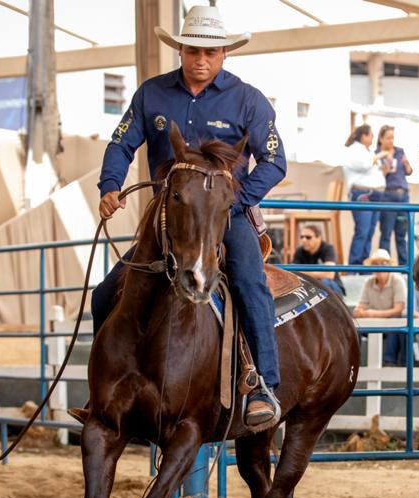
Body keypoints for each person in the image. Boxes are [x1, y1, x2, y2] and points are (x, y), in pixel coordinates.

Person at [91, 4, 286, 427]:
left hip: (225, 216)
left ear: (224, 55)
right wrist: (110, 185)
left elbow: (274, 162)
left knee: (251, 283)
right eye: (194, 50)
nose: (201, 59)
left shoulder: (248, 100)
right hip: (170, 221)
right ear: (180, 49)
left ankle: (263, 386)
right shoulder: (151, 93)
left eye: (210, 52)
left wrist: (233, 201)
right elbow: (121, 144)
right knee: (105, 295)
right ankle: (104, 393)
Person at [353, 248, 407, 366]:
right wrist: (362, 312)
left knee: (395, 323)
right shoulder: (368, 282)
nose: (379, 267)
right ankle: (353, 362)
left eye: (383, 263)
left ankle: (389, 362)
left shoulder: (397, 280)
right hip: (373, 323)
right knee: (354, 326)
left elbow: (399, 310)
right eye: (375, 264)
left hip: (391, 323)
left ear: (389, 265)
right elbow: (359, 309)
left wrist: (371, 313)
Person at [343, 125, 387, 265]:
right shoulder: (354, 150)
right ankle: (354, 267)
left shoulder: (367, 151)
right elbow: (364, 165)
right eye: (371, 135)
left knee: (369, 233)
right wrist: (379, 155)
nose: (373, 138)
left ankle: (363, 265)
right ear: (363, 136)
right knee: (362, 231)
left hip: (374, 195)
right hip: (363, 194)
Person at [375, 125, 413, 265]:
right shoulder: (377, 154)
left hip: (403, 196)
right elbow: (378, 177)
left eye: (393, 138)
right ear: (381, 139)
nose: (391, 141)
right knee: (386, 233)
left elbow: (409, 171)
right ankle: (385, 267)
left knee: (401, 234)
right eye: (388, 138)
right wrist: (386, 167)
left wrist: (407, 164)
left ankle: (405, 266)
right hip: (387, 196)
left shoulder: (400, 151)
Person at [292, 223, 344, 296]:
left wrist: (303, 273)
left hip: (332, 287)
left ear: (318, 238)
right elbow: (293, 273)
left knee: (325, 282)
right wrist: (320, 274)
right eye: (302, 237)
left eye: (308, 237)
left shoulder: (328, 248)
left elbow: (329, 274)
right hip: (310, 287)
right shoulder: (299, 251)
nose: (304, 240)